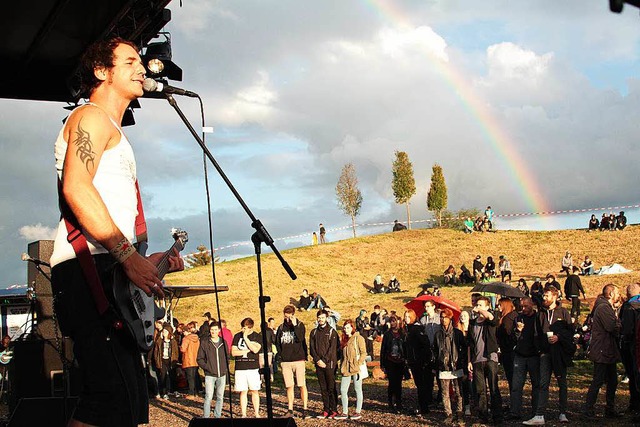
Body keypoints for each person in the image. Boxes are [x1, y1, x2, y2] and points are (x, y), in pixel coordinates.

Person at [48, 38, 185, 427]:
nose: (142, 68)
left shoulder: (112, 130)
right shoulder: (90, 117)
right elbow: (76, 188)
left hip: (109, 261)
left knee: (124, 402)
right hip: (88, 265)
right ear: (101, 71)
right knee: (107, 399)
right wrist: (127, 256)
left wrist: (146, 261)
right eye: (130, 61)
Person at [524, 286, 572, 425]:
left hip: (560, 353)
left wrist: (559, 337)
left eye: (547, 295)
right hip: (545, 354)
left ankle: (563, 412)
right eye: (543, 295)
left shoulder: (563, 312)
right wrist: (540, 349)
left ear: (555, 297)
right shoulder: (541, 314)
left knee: (562, 383)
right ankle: (539, 415)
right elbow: (536, 334)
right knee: (543, 384)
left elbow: (570, 332)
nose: (544, 298)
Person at [583, 284, 623, 419]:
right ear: (611, 294)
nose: (619, 295)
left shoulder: (603, 306)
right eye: (617, 292)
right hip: (602, 350)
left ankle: (609, 408)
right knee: (598, 380)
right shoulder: (604, 308)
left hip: (606, 349)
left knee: (612, 380)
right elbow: (612, 327)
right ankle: (588, 410)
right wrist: (618, 323)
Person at [467, 296, 502, 424]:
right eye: (477, 304)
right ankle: (483, 416)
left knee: (493, 388)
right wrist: (469, 360)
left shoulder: (491, 321)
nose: (478, 307)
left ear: (487, 307)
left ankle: (497, 416)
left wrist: (481, 311)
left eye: (481, 305)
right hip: (477, 360)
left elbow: (492, 318)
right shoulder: (472, 323)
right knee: (480, 390)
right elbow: (470, 344)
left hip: (490, 358)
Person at [507, 297, 540, 422]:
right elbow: (513, 338)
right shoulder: (518, 318)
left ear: (532, 305)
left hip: (534, 356)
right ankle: (515, 411)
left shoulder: (538, 318)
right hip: (520, 355)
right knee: (516, 385)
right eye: (521, 306)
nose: (523, 309)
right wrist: (517, 331)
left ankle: (536, 411)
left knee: (536, 385)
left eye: (526, 306)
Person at [433, 308, 467, 425]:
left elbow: (464, 348)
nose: (443, 319)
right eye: (441, 317)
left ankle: (459, 413)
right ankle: (448, 413)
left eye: (445, 317)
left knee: (459, 391)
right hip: (443, 366)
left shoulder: (457, 333)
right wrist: (437, 362)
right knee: (445, 392)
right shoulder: (438, 334)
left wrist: (461, 361)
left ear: (450, 318)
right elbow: (435, 349)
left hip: (456, 365)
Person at [276, 305, 309, 418]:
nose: (287, 319)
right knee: (289, 386)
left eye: (289, 316)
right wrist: (280, 358)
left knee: (301, 384)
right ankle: (290, 409)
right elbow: (277, 343)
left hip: (298, 359)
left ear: (293, 315)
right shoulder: (281, 328)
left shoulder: (300, 325)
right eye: (286, 316)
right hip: (286, 361)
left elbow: (300, 338)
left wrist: (295, 325)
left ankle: (305, 408)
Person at [309, 309, 339, 419]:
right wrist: (317, 360)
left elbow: (333, 349)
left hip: (329, 364)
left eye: (322, 317)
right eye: (319, 317)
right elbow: (312, 348)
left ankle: (334, 409)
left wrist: (325, 361)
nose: (321, 319)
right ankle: (326, 409)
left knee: (331, 388)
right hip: (319, 364)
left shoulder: (332, 332)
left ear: (326, 318)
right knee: (323, 388)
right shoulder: (314, 332)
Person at [335, 319, 366, 420]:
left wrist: (358, 363)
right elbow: (342, 355)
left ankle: (358, 411)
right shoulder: (343, 340)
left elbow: (363, 353)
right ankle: (345, 412)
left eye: (348, 327)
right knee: (343, 390)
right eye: (345, 328)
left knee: (358, 389)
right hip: (346, 368)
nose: (346, 329)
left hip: (356, 368)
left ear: (352, 328)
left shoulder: (359, 338)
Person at [231, 318, 262, 418]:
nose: (243, 330)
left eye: (245, 328)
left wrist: (246, 338)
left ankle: (256, 413)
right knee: (243, 391)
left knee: (254, 390)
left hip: (253, 367)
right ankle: (244, 414)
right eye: (242, 328)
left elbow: (255, 350)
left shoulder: (257, 336)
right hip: (240, 367)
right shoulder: (237, 336)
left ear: (250, 328)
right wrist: (246, 351)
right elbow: (233, 352)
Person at [197, 321, 228, 419]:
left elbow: (227, 357)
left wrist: (225, 368)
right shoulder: (205, 343)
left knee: (220, 397)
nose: (213, 331)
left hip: (222, 374)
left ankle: (217, 416)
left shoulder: (223, 342)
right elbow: (199, 359)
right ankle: (206, 417)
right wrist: (207, 367)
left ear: (219, 330)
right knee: (208, 397)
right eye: (212, 330)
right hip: (210, 374)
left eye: (215, 329)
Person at [404, 309, 431, 417]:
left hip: (419, 362)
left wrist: (423, 360)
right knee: (420, 384)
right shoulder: (409, 329)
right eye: (405, 317)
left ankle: (424, 407)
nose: (406, 319)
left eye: (408, 317)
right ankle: (423, 405)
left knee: (422, 385)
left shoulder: (416, 329)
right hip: (413, 361)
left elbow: (424, 344)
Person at [620, 283, 640, 416]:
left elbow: (626, 329)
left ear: (627, 294)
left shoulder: (628, 307)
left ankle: (635, 405)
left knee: (634, 376)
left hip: (633, 345)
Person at [380, 315, 406, 413]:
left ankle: (399, 402)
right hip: (390, 361)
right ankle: (390, 402)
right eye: (391, 321)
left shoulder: (402, 333)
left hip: (400, 361)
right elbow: (383, 349)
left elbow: (405, 347)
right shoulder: (387, 334)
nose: (392, 323)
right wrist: (382, 364)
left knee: (398, 383)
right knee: (392, 382)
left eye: (394, 321)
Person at [420, 300, 440, 410]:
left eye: (428, 306)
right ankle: (429, 397)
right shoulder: (423, 320)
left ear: (433, 306)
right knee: (428, 377)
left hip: (438, 350)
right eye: (425, 306)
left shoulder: (438, 318)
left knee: (440, 376)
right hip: (427, 351)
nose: (426, 308)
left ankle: (440, 397)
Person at [497, 297, 517, 390]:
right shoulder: (508, 317)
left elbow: (507, 334)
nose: (498, 307)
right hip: (508, 350)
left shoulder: (507, 319)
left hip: (508, 351)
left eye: (500, 305)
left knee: (511, 376)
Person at [154, 323, 179, 400]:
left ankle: (174, 390)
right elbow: (156, 351)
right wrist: (157, 360)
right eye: (163, 331)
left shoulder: (173, 341)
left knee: (172, 375)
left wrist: (175, 360)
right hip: (162, 360)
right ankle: (164, 392)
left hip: (170, 360)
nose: (164, 333)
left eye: (165, 331)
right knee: (163, 376)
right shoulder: (159, 341)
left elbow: (176, 351)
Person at [456, 311, 472, 416]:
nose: (463, 317)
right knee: (464, 383)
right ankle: (466, 405)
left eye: (465, 315)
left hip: (472, 359)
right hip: (461, 360)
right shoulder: (457, 330)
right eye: (461, 316)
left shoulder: (472, 328)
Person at [181, 322, 201, 399]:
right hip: (195, 360)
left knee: (190, 378)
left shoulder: (186, 339)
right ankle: (196, 392)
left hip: (188, 360)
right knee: (195, 376)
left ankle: (191, 393)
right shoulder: (197, 338)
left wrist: (180, 347)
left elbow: (183, 349)